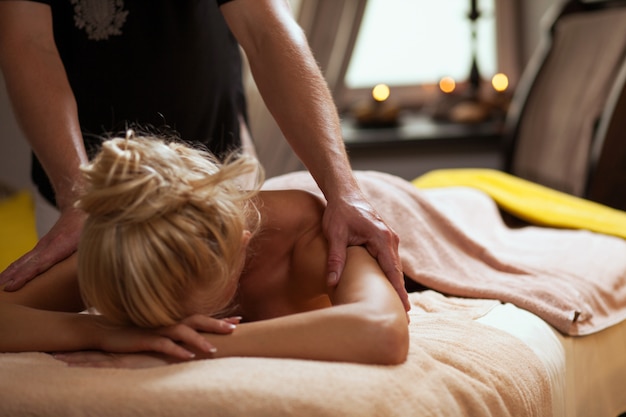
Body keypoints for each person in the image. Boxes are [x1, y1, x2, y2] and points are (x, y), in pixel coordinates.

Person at [0, 0, 409, 310]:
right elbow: (28, 44)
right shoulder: (110, 232)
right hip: (86, 201)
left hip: (219, 188)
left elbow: (267, 30)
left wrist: (343, 191)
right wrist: (79, 196)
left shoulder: (290, 229)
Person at [0, 133, 409, 366]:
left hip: (399, 206)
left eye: (183, 322)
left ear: (238, 248)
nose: (165, 332)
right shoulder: (136, 244)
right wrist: (103, 331)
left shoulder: (314, 238)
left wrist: (196, 347)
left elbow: (381, 331)